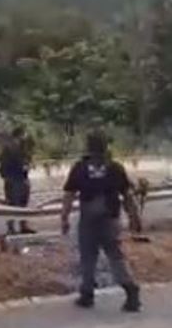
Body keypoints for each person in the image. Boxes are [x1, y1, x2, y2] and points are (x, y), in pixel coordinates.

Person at [60, 131, 142, 312]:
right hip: (110, 218)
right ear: (106, 147)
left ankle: (87, 293)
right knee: (115, 256)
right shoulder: (115, 168)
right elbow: (127, 195)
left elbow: (69, 195)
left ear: (88, 147)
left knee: (88, 256)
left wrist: (64, 217)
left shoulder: (80, 168)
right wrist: (134, 216)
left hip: (89, 218)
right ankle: (130, 289)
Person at [0, 126, 35, 234]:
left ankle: (19, 226)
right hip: (15, 178)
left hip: (19, 177)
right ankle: (14, 227)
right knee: (14, 203)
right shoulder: (11, 148)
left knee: (20, 203)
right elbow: (5, 165)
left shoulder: (20, 147)